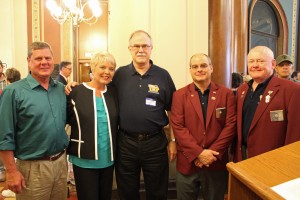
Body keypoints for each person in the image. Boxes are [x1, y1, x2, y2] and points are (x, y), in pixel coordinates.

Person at [0, 41, 69, 200]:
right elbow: (4, 136)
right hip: (32, 168)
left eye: (48, 58)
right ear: (29, 61)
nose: (44, 62)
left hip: (60, 164)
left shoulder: (59, 89)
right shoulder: (13, 92)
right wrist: (11, 172)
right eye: (38, 59)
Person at [112, 30, 177, 200]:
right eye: (136, 46)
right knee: (127, 192)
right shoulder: (119, 75)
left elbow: (173, 111)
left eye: (145, 46)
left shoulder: (163, 75)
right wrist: (73, 86)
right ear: (129, 48)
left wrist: (173, 141)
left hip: (155, 143)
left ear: (151, 48)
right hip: (126, 143)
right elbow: (99, 88)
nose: (141, 50)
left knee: (157, 192)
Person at [170, 53, 236, 200]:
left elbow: (230, 126)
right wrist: (199, 153)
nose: (199, 69)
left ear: (211, 68)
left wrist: (211, 154)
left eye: (203, 65)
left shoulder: (226, 94)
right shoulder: (179, 95)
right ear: (190, 70)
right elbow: (178, 127)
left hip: (215, 162)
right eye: (195, 66)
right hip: (188, 162)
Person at [67, 52, 119, 200]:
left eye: (111, 68)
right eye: (102, 67)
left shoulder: (113, 93)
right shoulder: (76, 92)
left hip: (108, 159)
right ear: (93, 68)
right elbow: (66, 120)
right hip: (84, 159)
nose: (107, 72)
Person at [234, 46, 300, 162]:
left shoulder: (292, 90)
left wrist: (289, 161)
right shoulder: (242, 91)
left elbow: (295, 133)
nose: (255, 65)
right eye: (251, 61)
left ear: (273, 64)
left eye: (260, 61)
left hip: (273, 160)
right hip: (243, 157)